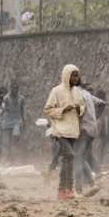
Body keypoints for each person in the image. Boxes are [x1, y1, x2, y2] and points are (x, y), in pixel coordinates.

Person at [43, 64, 86, 200]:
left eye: (77, 75)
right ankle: (69, 188)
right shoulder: (56, 91)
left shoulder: (78, 92)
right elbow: (48, 109)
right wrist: (63, 110)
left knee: (67, 159)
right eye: (73, 75)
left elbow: (83, 107)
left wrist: (80, 109)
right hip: (59, 131)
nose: (76, 78)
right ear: (67, 75)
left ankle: (61, 191)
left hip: (72, 131)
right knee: (70, 156)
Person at [75, 83, 104, 194]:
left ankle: (78, 189)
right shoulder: (87, 94)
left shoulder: (76, 94)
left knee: (78, 157)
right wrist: (95, 118)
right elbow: (102, 103)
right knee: (82, 157)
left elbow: (78, 111)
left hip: (83, 129)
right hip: (91, 129)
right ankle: (92, 183)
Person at [1, 82, 26, 161]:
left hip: (17, 121)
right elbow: (2, 110)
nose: (15, 90)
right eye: (13, 88)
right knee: (6, 142)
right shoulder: (6, 98)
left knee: (16, 136)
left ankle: (13, 152)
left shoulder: (21, 98)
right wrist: (0, 120)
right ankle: (8, 156)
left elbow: (23, 110)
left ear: (18, 90)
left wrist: (24, 120)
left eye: (16, 89)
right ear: (10, 89)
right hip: (7, 121)